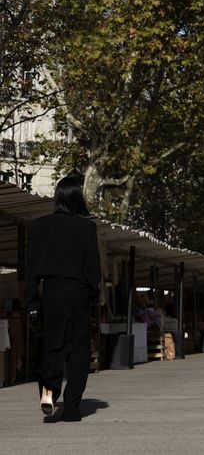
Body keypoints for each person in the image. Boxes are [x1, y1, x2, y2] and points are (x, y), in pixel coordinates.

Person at [25, 177, 101, 422]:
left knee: (51, 346)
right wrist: (92, 295)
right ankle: (71, 408)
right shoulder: (87, 228)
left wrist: (32, 301)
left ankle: (49, 390)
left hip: (51, 291)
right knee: (78, 351)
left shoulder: (39, 226)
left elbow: (31, 269)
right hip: (77, 291)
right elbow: (93, 269)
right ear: (77, 197)